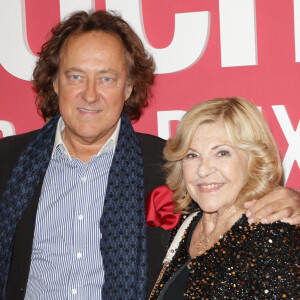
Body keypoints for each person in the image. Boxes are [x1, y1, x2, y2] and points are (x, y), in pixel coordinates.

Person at [0, 10, 298, 300]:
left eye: (106, 79)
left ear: (128, 87)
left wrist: (292, 202)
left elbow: (236, 205)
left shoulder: (169, 163)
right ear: (55, 82)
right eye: (76, 76)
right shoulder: (7, 162)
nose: (90, 95)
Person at [148, 97, 300, 299]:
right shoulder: (185, 226)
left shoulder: (274, 238)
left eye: (222, 153)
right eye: (192, 155)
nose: (203, 170)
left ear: (252, 159)